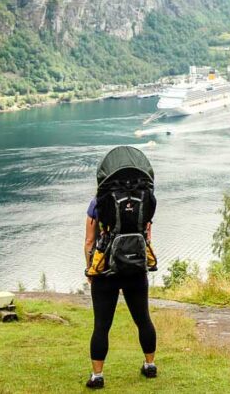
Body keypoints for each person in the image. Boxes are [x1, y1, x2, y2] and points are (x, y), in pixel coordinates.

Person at [84, 146, 158, 389]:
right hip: (136, 269)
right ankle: (149, 365)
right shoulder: (145, 198)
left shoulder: (98, 202)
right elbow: (147, 233)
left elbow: (89, 241)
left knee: (102, 325)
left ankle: (97, 376)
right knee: (143, 319)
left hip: (106, 270)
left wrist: (90, 270)